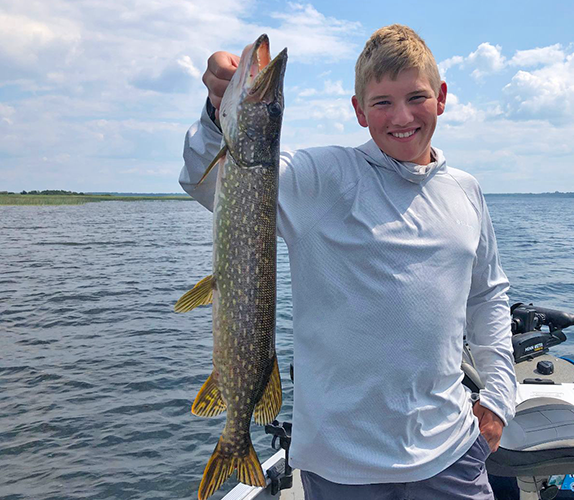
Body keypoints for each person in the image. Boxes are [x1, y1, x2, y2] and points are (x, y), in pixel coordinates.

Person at [180, 24, 516, 500]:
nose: (401, 116)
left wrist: (500, 397)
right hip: (341, 467)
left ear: (441, 97)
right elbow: (205, 179)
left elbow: (488, 297)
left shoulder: (466, 190)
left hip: (451, 451)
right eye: (381, 102)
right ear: (359, 110)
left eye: (415, 97)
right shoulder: (320, 177)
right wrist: (216, 114)